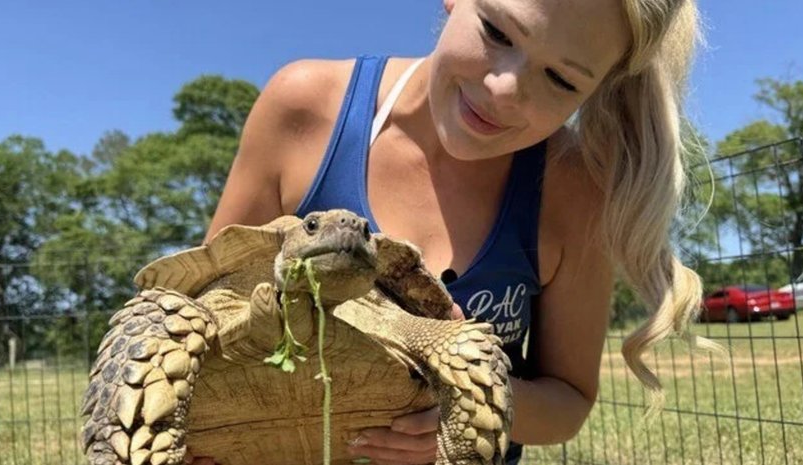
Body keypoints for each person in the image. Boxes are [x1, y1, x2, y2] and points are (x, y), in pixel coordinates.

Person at [194, 0, 716, 463]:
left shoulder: (575, 190)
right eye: (498, 32)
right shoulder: (306, 108)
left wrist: (465, 397)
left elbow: (569, 402)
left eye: (561, 80)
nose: (504, 90)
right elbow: (201, 314)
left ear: (600, 86)